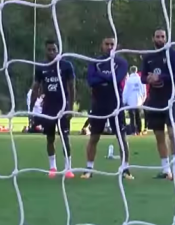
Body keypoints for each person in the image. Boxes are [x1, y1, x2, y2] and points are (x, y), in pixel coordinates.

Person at [82, 37, 133, 180]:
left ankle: (125, 169)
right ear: (101, 46)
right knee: (94, 137)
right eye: (107, 44)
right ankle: (89, 169)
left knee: (121, 137)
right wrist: (108, 78)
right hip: (98, 104)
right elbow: (91, 81)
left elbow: (117, 79)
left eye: (112, 44)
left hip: (115, 104)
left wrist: (102, 77)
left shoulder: (121, 62)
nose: (110, 47)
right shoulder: (95, 62)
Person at [142, 29, 175, 179]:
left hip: (170, 99)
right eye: (158, 36)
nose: (160, 39)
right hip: (154, 101)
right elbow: (143, 77)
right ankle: (166, 170)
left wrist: (161, 77)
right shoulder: (148, 57)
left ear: (166, 38)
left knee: (172, 133)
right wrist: (149, 79)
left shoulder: (173, 55)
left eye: (163, 36)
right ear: (153, 38)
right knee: (159, 136)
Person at [32, 39, 76, 178]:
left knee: (65, 138)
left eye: (54, 50)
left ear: (58, 50)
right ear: (45, 50)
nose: (52, 52)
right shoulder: (41, 67)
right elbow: (35, 87)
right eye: (49, 49)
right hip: (48, 108)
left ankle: (68, 168)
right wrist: (31, 107)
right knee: (50, 138)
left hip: (62, 107)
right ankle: (52, 167)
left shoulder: (66, 66)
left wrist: (70, 106)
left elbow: (72, 87)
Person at [123, 65, 145, 135]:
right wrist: (143, 99)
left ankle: (133, 131)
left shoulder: (128, 80)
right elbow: (143, 90)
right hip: (139, 100)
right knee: (138, 115)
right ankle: (139, 130)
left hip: (130, 100)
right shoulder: (140, 79)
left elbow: (126, 91)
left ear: (130, 71)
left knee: (132, 116)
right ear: (136, 71)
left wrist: (124, 101)